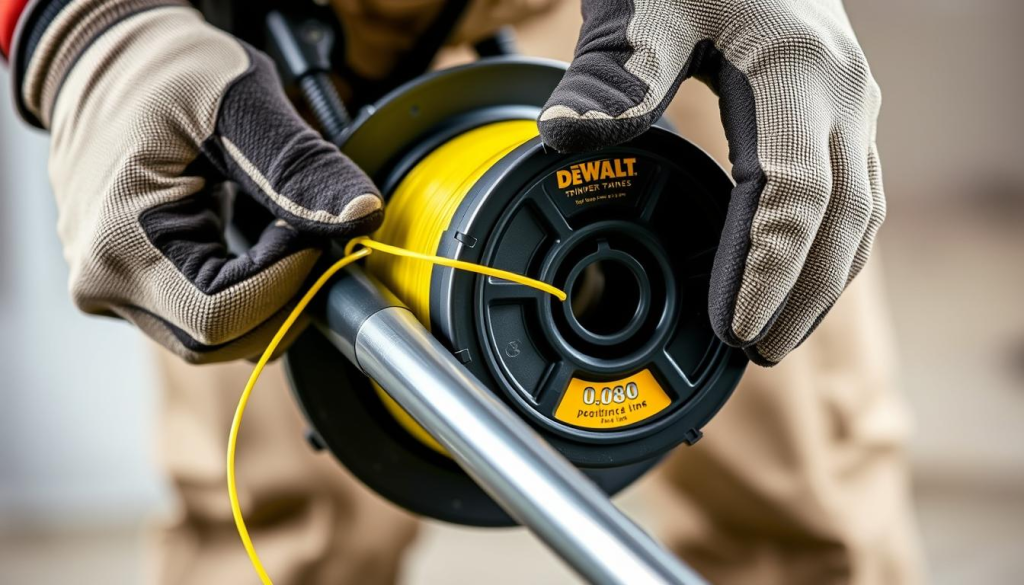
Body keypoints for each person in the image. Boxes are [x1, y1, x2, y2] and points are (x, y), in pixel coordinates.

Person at [0, 0, 924, 583]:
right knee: (284, 548)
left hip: (642, 32)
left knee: (803, 515)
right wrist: (77, 25)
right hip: (245, 72)